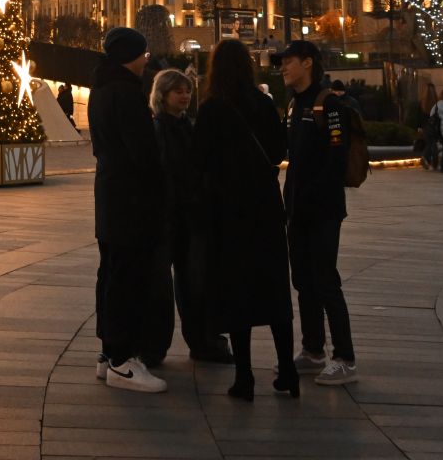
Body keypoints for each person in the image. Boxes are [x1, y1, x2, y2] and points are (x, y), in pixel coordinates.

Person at [195, 41, 297, 399]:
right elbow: (280, 149)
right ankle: (288, 371)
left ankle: (244, 377)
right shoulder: (264, 103)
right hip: (265, 205)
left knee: (235, 292)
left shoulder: (211, 108)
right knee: (274, 289)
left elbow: (200, 159)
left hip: (228, 209)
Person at [90, 27, 169, 393]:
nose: (145, 61)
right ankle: (124, 360)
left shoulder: (101, 89)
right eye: (143, 54)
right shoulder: (126, 93)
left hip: (110, 195)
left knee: (111, 273)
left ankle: (109, 355)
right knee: (129, 278)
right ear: (129, 56)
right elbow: (144, 153)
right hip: (132, 200)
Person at [275, 39, 357, 386]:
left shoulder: (329, 104)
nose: (283, 67)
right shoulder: (294, 104)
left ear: (308, 63)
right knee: (303, 280)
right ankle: (312, 350)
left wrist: (311, 196)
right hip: (297, 208)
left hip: (322, 210)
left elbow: (336, 161)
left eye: (288, 61)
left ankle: (345, 358)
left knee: (325, 280)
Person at [145, 68, 225, 367]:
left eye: (188, 91)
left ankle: (201, 341)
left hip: (190, 217)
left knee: (195, 283)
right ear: (162, 95)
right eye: (178, 91)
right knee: (164, 287)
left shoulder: (187, 126)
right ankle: (157, 345)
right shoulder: (158, 129)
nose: (185, 96)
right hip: (169, 217)